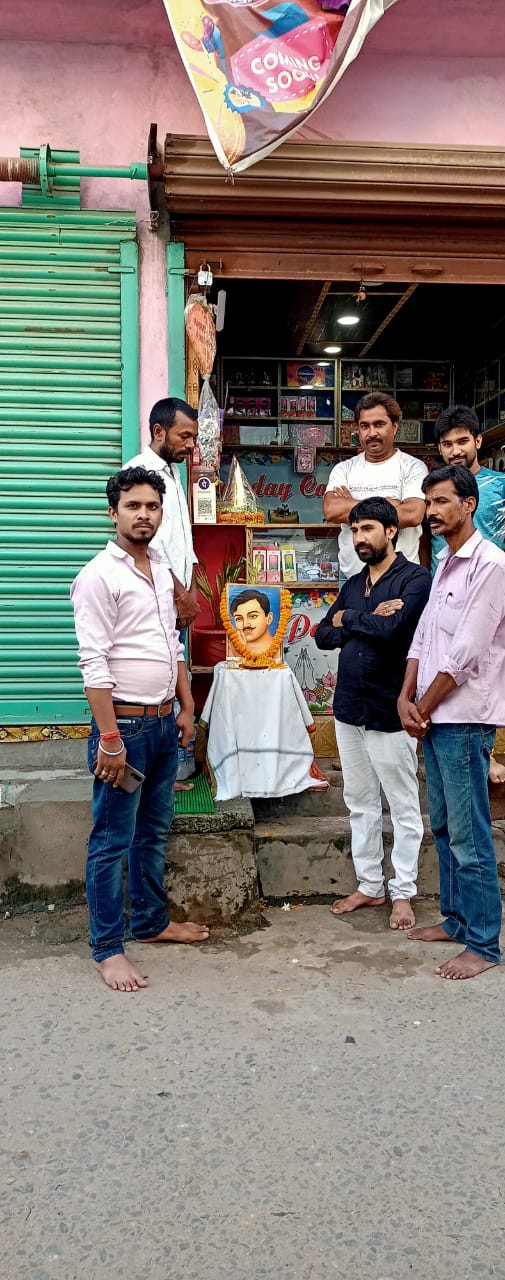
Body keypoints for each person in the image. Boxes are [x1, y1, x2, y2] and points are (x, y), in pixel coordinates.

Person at [70, 466, 209, 994]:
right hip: (123, 730)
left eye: (152, 506)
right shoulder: (98, 576)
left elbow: (173, 644)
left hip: (163, 724)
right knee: (111, 840)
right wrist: (109, 739)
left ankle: (150, 922)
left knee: (153, 832)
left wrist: (186, 704)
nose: (144, 515)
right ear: (114, 513)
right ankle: (107, 948)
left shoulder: (162, 568)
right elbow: (94, 664)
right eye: (133, 506)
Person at [398, 464, 505, 980]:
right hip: (433, 715)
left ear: (469, 505)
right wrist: (405, 695)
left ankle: (483, 943)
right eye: (429, 502)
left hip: (463, 718)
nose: (432, 511)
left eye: (442, 501)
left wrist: (421, 707)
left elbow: (466, 652)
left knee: (469, 836)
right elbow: (424, 637)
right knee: (444, 827)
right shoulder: (445, 561)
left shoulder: (490, 565)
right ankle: (456, 919)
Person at [315, 497, 431, 929]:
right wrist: (360, 616)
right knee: (359, 802)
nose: (359, 538)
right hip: (349, 707)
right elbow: (322, 635)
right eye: (354, 531)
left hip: (389, 708)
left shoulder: (415, 579)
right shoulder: (352, 584)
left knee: (402, 805)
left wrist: (348, 619)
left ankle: (403, 892)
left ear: (391, 531)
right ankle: (369, 885)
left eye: (367, 529)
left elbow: (394, 630)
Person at [426, 404, 505, 786]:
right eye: (447, 443)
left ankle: (486, 752)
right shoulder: (438, 491)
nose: (455, 450)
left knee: (483, 670)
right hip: (445, 588)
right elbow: (427, 543)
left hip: (487, 590)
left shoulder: (503, 486)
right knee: (443, 665)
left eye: (462, 441)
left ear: (478, 441)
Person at [323, 391, 428, 578]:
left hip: (401, 579)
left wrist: (352, 504)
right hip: (352, 578)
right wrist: (392, 505)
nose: (372, 433)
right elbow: (332, 510)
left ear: (394, 427)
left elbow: (413, 514)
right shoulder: (343, 469)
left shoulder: (413, 467)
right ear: (358, 430)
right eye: (365, 426)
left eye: (379, 424)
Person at [125, 398, 201, 630]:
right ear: (159, 432)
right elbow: (148, 546)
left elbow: (182, 536)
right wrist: (181, 595)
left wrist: (192, 589)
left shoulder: (173, 471)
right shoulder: (138, 473)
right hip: (155, 603)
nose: (191, 445)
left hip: (177, 602)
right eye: (184, 436)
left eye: (194, 438)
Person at [231, 589, 275, 655]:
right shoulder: (233, 652)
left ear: (269, 618)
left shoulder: (279, 650)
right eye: (239, 619)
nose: (245, 624)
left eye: (252, 616)